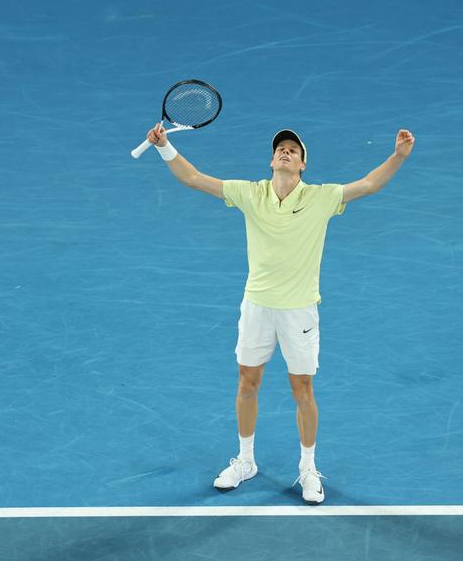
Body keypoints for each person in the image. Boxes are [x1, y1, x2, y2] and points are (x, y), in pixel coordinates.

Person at [146, 122, 415, 504]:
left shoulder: (322, 198)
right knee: (247, 383)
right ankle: (245, 461)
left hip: (299, 310)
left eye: (293, 150)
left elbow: (369, 184)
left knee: (302, 389)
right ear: (272, 160)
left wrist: (398, 156)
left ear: (303, 165)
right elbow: (192, 178)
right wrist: (163, 146)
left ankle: (307, 468)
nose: (285, 152)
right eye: (280, 149)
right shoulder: (250, 193)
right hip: (257, 305)